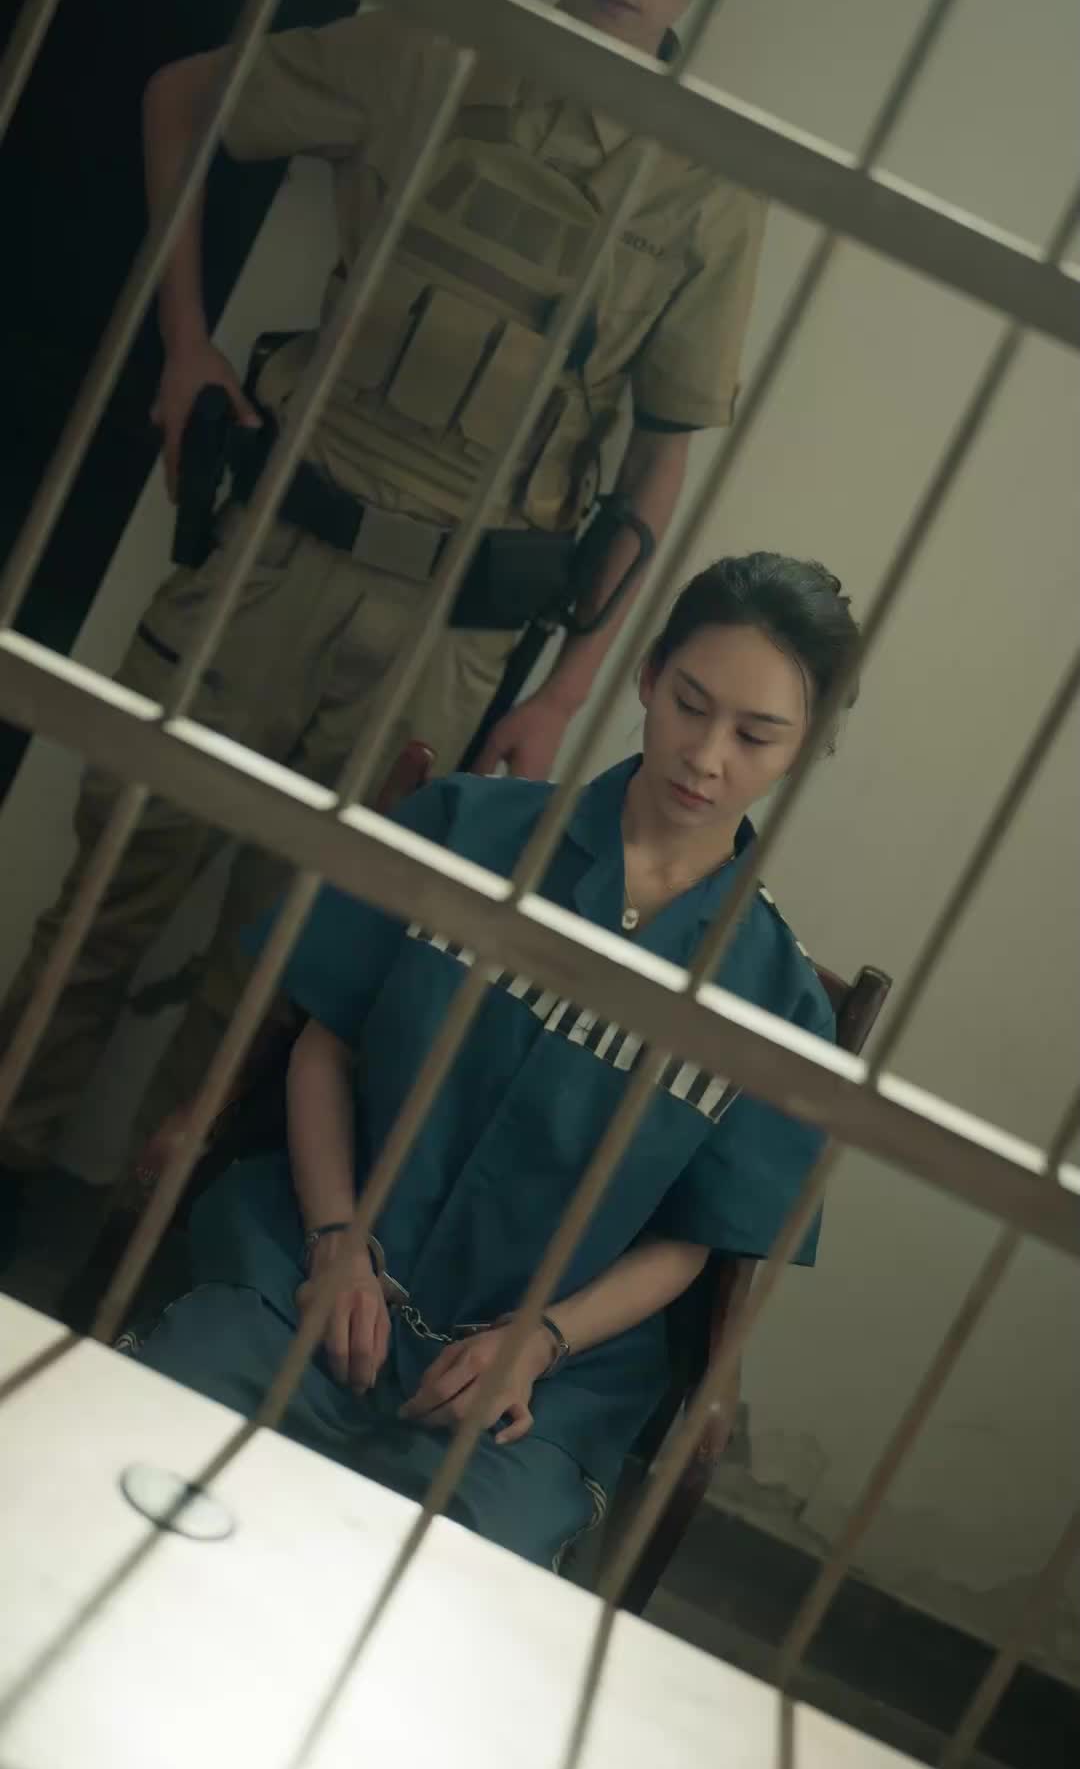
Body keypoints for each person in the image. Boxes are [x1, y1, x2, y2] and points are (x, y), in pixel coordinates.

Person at [0, 0, 772, 1265]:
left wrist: (564, 696)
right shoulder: (427, 52)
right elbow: (183, 98)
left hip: (449, 634)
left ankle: (137, 1267)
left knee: (279, 970)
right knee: (108, 894)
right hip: (273, 557)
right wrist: (183, 345)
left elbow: (658, 465)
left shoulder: (707, 191)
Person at [129, 553, 860, 1570]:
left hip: (539, 1390)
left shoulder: (776, 1003)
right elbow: (323, 1043)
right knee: (145, 1470)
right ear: (648, 676)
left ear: (806, 749)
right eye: (690, 705)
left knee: (434, 1596)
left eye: (755, 735)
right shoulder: (466, 830)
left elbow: (694, 1244)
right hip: (302, 1268)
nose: (705, 756)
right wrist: (336, 1242)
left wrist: (540, 1341)